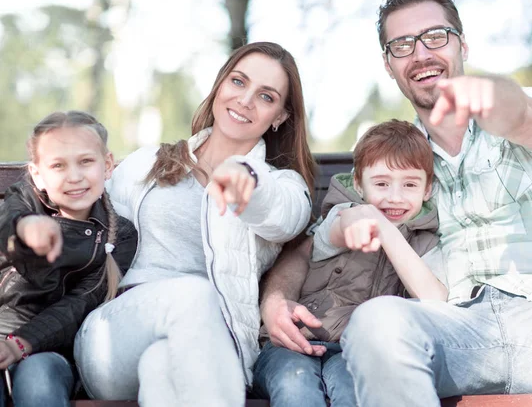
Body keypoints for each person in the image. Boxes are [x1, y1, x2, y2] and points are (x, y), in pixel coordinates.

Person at [259, 0, 532, 407]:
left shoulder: (519, 113)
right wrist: (275, 300)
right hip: (454, 333)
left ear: (463, 44)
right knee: (376, 323)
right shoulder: (391, 160)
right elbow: (315, 243)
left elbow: (526, 116)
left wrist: (494, 96)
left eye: (436, 36)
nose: (421, 54)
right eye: (402, 45)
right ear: (388, 64)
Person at [74, 42, 316, 407]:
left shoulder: (283, 186)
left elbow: (282, 217)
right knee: (194, 294)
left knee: (161, 370)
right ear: (220, 86)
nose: (245, 100)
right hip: (115, 337)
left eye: (265, 96)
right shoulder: (147, 164)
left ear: (280, 115)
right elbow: (79, 211)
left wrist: (243, 177)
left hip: (210, 353)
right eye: (238, 82)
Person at [253, 120, 447, 406]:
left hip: (350, 351)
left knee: (351, 387)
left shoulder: (425, 242)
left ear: (427, 189)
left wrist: (386, 230)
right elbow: (337, 229)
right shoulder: (345, 212)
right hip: (293, 342)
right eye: (381, 183)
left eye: (410, 184)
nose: (394, 197)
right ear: (359, 184)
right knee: (295, 384)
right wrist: (364, 220)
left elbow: (434, 297)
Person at [0, 111, 138, 407]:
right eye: (58, 165)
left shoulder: (119, 235)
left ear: (108, 164)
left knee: (39, 381)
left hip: (48, 348)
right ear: (37, 174)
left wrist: (20, 345)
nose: (74, 176)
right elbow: (8, 223)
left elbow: (79, 303)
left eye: (86, 161)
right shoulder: (23, 201)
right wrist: (26, 228)